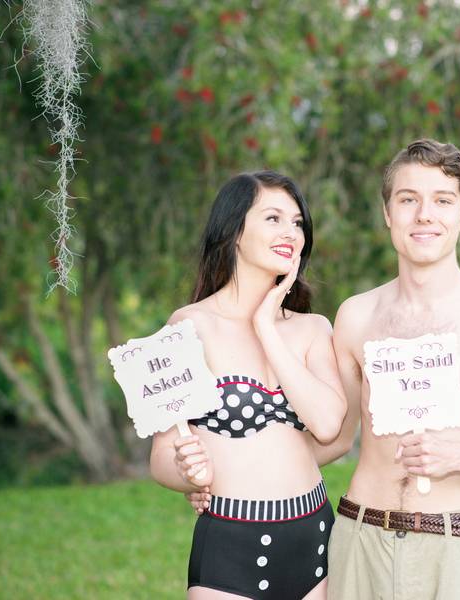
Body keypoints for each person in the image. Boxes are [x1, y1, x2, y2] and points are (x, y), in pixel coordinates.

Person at [326, 139, 460, 599]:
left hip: (454, 544)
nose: (425, 215)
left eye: (442, 201)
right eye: (408, 200)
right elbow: (334, 438)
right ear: (388, 213)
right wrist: (229, 474)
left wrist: (458, 457)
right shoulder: (355, 316)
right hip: (361, 538)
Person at [150, 170, 347, 600]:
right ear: (235, 231)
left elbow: (329, 425)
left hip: (314, 539)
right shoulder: (188, 327)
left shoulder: (314, 329)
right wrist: (186, 475)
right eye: (273, 218)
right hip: (228, 544)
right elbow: (162, 455)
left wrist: (266, 326)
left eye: (297, 222)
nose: (290, 232)